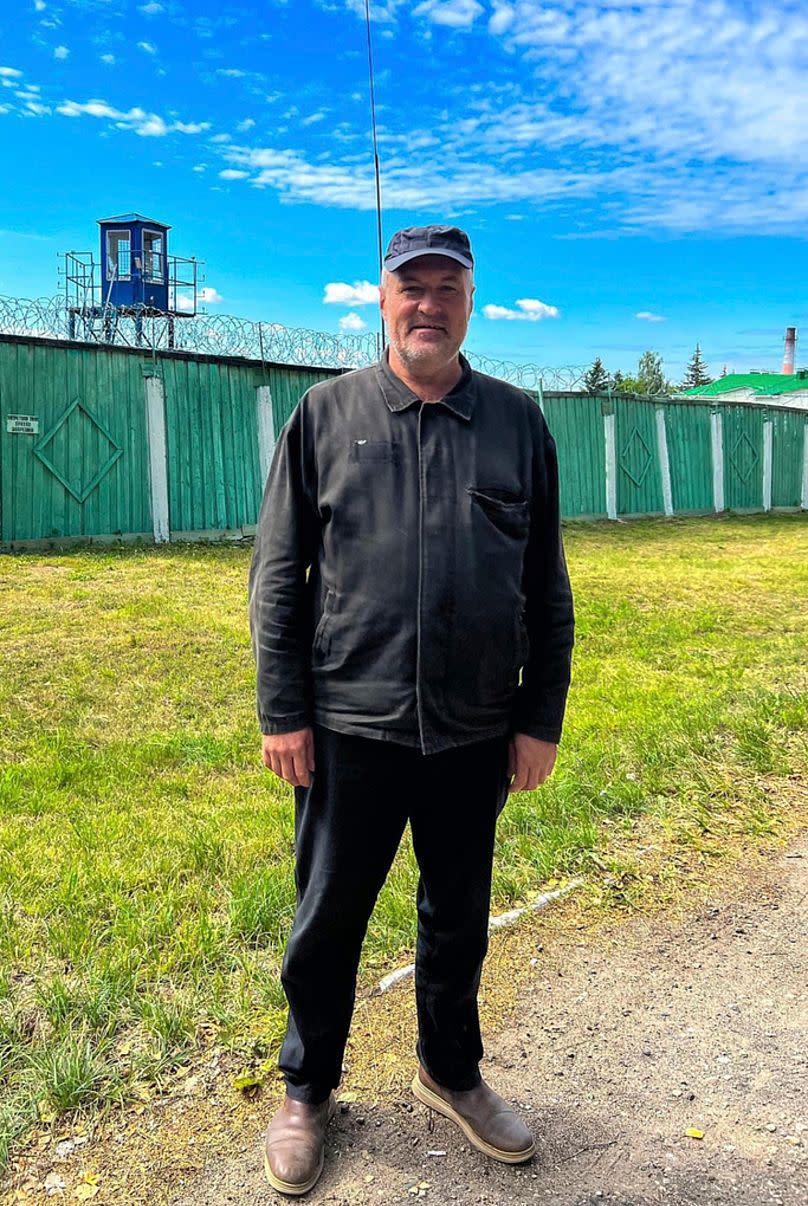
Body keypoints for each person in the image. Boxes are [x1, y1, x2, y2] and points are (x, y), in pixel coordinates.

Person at [249, 224, 574, 1196]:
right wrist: (283, 710)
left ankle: (450, 1070)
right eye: (410, 287)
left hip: (476, 730)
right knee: (327, 920)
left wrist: (538, 716)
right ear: (379, 301)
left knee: (457, 918)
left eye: (447, 287)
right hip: (349, 726)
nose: (427, 303)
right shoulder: (324, 413)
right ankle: (307, 1089)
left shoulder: (517, 423)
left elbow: (543, 584)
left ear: (471, 302)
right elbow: (278, 577)